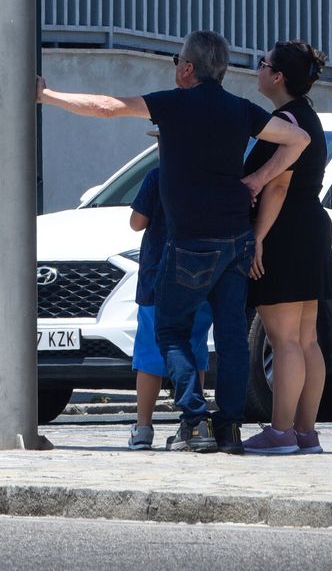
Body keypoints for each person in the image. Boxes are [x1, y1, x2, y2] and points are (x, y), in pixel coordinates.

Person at [36, 30, 310, 454]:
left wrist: (46, 95)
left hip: (191, 243)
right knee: (232, 338)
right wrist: (256, 180)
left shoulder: (172, 104)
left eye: (176, 61)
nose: (175, 67)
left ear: (187, 69)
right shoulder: (241, 109)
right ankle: (229, 429)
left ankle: (195, 422)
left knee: (170, 330)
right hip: (236, 239)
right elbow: (299, 139)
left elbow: (107, 107)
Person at [242, 40, 332, 456]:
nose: (258, 70)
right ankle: (305, 432)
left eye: (262, 64)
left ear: (278, 76)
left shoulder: (284, 121)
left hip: (284, 230)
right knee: (306, 338)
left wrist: (258, 238)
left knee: (283, 339)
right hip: (311, 227)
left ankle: (280, 431)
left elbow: (278, 185)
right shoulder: (308, 116)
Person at [126, 145, 213, 450]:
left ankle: (143, 428)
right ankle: (192, 423)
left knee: (150, 356)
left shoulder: (157, 177)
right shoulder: (209, 178)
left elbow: (136, 222)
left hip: (156, 275)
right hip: (199, 276)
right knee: (195, 349)